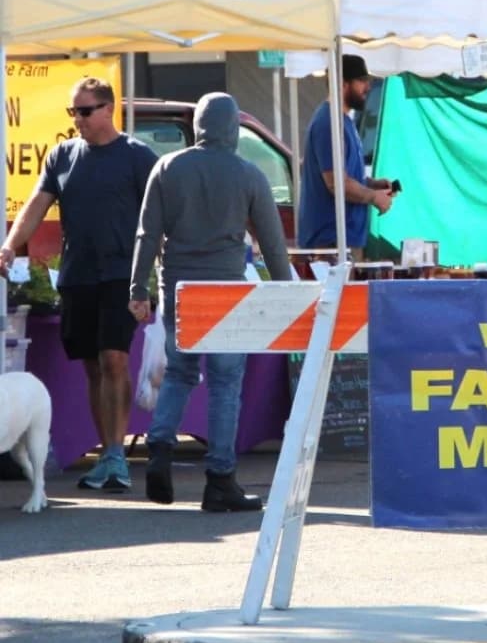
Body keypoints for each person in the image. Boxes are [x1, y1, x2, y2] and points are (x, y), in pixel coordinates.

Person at [128, 93, 291, 512]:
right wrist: (288, 290)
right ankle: (220, 479)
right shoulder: (250, 175)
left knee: (180, 371)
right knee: (224, 384)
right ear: (233, 127)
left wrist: (137, 289)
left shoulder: (167, 167)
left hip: (179, 286)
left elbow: (147, 233)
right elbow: (272, 243)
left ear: (198, 125)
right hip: (226, 292)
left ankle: (160, 445)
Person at [0, 77, 156, 492]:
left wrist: (153, 275)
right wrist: (10, 245)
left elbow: (160, 216)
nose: (78, 120)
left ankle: (116, 454)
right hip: (78, 276)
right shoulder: (63, 155)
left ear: (108, 110)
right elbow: (37, 202)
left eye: (84, 111)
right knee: (92, 365)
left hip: (122, 276)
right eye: (73, 112)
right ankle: (106, 451)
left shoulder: (138, 156)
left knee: (114, 361)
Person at [297, 53, 394, 259]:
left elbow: (344, 175)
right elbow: (336, 183)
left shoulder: (343, 121)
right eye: (361, 81)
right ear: (342, 83)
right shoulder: (328, 123)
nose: (367, 87)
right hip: (331, 243)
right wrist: (374, 197)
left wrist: (372, 184)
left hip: (345, 240)